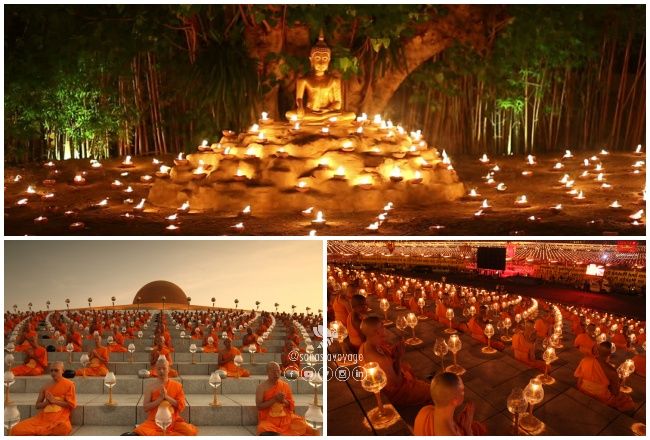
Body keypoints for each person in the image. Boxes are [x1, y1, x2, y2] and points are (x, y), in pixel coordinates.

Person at [284, 31, 356, 124]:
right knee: (289, 114)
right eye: (317, 58)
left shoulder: (334, 80)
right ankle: (323, 120)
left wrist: (327, 110)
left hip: (328, 112)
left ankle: (319, 119)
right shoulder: (304, 80)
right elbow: (299, 98)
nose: (321, 63)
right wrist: (301, 107)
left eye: (324, 59)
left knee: (351, 115)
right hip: (310, 111)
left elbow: (338, 102)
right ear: (311, 60)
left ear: (329, 60)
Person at [358, 316, 431, 406]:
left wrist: (392, 354)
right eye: (382, 326)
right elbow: (397, 382)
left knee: (407, 368)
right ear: (377, 331)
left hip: (386, 385)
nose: (384, 328)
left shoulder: (364, 346)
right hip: (397, 394)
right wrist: (398, 357)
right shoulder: (380, 359)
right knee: (433, 391)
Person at [133, 357, 198, 435]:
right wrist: (159, 399)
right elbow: (146, 407)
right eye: (159, 369)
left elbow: (181, 405)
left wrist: (166, 397)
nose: (161, 371)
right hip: (154, 421)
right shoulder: (150, 387)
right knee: (140, 430)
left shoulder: (177, 385)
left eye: (164, 368)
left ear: (168, 370)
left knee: (190, 431)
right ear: (155, 370)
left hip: (174, 420)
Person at [11, 361, 77, 435]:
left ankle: (41, 431)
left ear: (62, 371)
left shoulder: (69, 384)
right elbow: (37, 405)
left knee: (64, 428)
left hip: (59, 418)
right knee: (15, 429)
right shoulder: (45, 386)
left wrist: (55, 401)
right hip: (43, 418)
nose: (53, 373)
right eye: (51, 370)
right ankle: (42, 431)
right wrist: (47, 403)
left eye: (56, 370)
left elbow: (72, 405)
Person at [414, 372, 487, 435]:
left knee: (477, 427)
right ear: (455, 400)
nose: (464, 393)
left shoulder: (424, 411)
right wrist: (468, 429)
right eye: (462, 391)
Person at [256, 362, 317, 435]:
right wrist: (274, 400)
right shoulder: (261, 387)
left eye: (278, 371)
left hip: (286, 418)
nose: (276, 374)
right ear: (267, 372)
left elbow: (291, 405)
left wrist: (283, 401)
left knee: (307, 427)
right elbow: (259, 406)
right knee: (263, 428)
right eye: (273, 371)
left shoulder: (284, 385)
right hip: (269, 419)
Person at [574, 341, 635, 412]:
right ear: (610, 353)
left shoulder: (585, 360)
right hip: (602, 397)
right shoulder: (611, 371)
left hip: (583, 389)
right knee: (629, 403)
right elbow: (615, 392)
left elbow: (579, 380)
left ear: (597, 351)